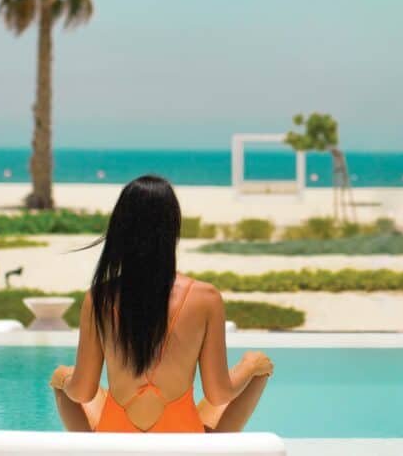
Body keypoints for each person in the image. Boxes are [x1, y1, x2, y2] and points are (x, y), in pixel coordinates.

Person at [49, 175, 273, 432]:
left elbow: (81, 392)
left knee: (64, 378)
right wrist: (250, 365)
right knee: (258, 366)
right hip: (182, 441)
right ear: (172, 229)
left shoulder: (100, 297)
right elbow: (219, 394)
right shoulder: (206, 298)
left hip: (115, 440)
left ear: (120, 230)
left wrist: (64, 378)